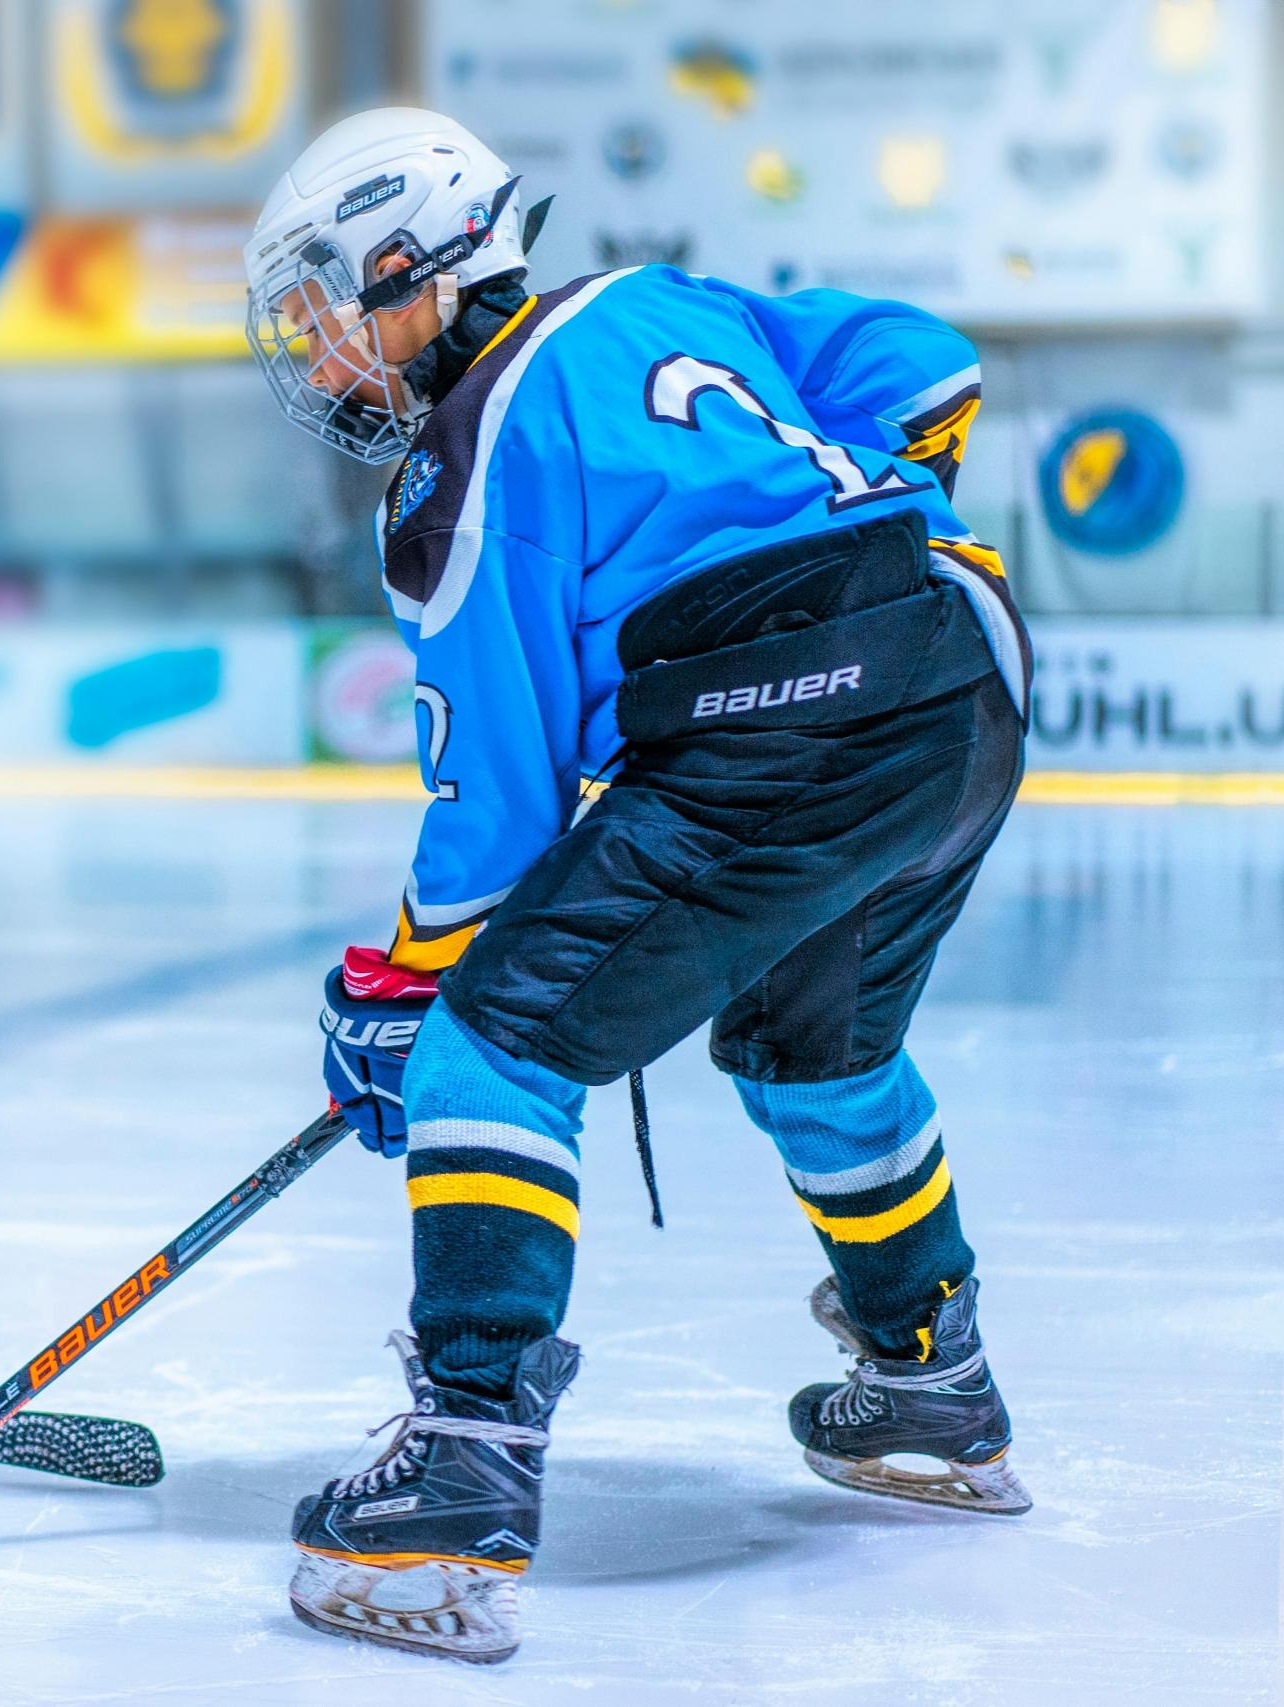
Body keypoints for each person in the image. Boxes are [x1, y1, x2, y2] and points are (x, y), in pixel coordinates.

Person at [244, 110, 1031, 1663]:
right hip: (965, 671)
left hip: (788, 713)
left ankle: (466, 1460)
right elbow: (929, 368)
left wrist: (397, 994)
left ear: (422, 269)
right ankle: (934, 1386)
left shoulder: (461, 472)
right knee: (823, 1052)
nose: (322, 353)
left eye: (331, 305)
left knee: (496, 1040)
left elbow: (498, 822)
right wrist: (849, 528)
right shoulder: (663, 304)